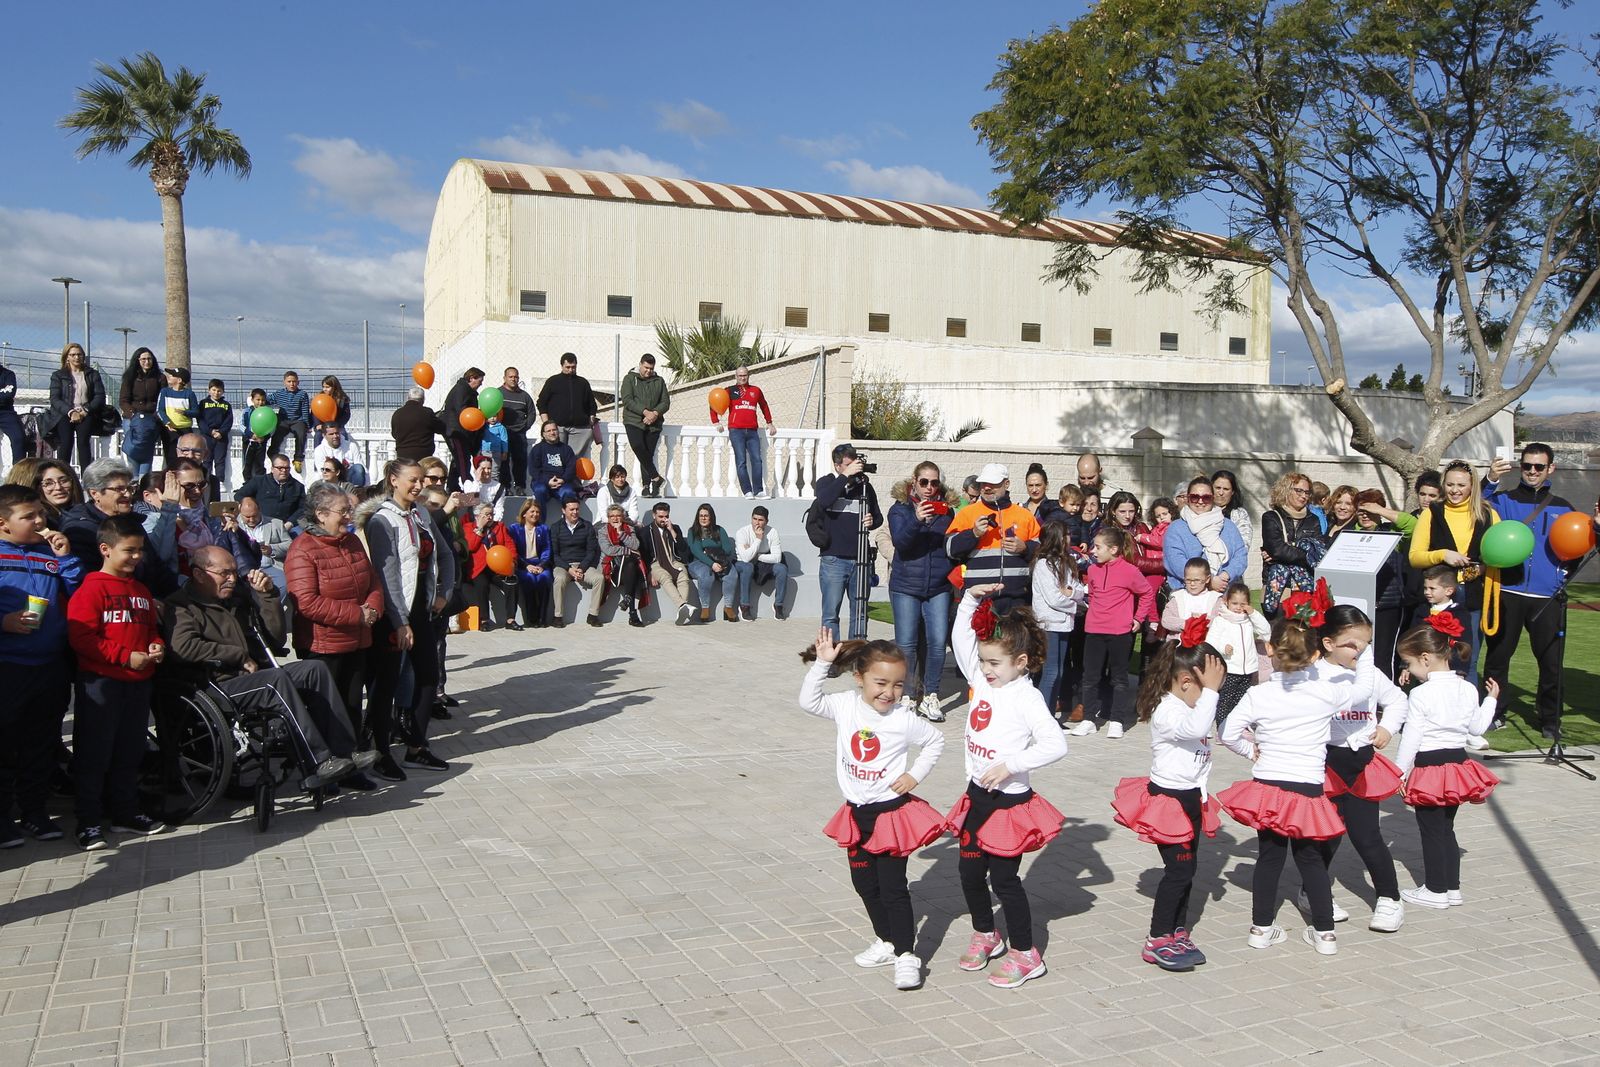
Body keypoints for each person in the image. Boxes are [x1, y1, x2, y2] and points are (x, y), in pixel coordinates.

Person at [798, 631, 946, 992]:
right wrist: (822, 663)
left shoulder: (903, 718)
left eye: (898, 685)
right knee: (864, 883)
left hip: (890, 817)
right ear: (859, 678)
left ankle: (908, 956)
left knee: (893, 888)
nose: (889, 692)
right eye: (881, 682)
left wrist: (915, 775)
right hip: (855, 814)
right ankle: (886, 941)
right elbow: (808, 702)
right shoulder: (846, 705)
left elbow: (935, 740)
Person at [163, 544, 368, 791]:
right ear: (198, 574)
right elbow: (183, 647)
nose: (231, 579)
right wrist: (238, 656)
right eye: (224, 574)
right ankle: (319, 760)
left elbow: (275, 639)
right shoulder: (181, 605)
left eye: (234, 573)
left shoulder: (237, 597)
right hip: (216, 685)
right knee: (275, 680)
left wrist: (268, 596)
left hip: (253, 677)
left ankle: (345, 752)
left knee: (314, 669)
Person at [945, 584, 1067, 989]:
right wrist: (970, 599)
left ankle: (1027, 954)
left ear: (1021, 662)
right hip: (976, 798)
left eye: (994, 662)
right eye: (982, 661)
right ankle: (986, 933)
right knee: (967, 872)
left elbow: (1055, 744)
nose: (985, 668)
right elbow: (961, 637)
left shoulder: (1026, 698)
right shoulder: (982, 681)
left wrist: (1011, 765)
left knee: (1005, 881)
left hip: (1009, 804)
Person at [1217, 618, 1353, 956]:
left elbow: (1227, 733)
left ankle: (1260, 929)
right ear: (1313, 655)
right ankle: (1325, 934)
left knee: (1269, 857)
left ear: (1269, 650)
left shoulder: (1257, 694)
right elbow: (1357, 690)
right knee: (1311, 861)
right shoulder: (1328, 692)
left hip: (1269, 785)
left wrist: (1252, 750)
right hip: (1307, 787)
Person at [1114, 632, 1226, 971]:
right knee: (1178, 870)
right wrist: (1211, 694)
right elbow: (1194, 730)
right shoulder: (1168, 711)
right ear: (1187, 681)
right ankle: (1156, 939)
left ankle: (1177, 931)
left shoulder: (1190, 704)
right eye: (1205, 688)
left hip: (1191, 798)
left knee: (1188, 869)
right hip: (1169, 802)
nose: (1210, 696)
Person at [65, 512, 164, 850]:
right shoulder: (91, 589)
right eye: (130, 551)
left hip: (138, 683)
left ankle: (125, 812)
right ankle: (89, 820)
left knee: (129, 751)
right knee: (94, 754)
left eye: (140, 551)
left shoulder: (140, 589)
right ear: (105, 549)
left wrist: (156, 646)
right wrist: (124, 656)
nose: (136, 557)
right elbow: (82, 637)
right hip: (101, 684)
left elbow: (150, 629)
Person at [1313, 606, 1409, 933]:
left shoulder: (1369, 675)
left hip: (1361, 765)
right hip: (1324, 764)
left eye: (1365, 644)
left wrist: (1387, 728)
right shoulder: (1312, 674)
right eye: (1352, 645)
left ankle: (1389, 898)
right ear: (1328, 643)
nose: (1360, 651)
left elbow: (1397, 700)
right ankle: (1312, 891)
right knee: (1326, 834)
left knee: (1367, 836)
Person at [1394, 621, 1501, 910]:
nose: (1410, 670)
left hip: (1430, 768)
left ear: (1425, 658)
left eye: (1410, 663)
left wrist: (1398, 773)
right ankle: (1452, 888)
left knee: (1431, 831)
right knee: (1446, 829)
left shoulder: (1420, 694)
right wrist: (1491, 700)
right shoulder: (1467, 688)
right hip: (1457, 766)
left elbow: (1411, 738)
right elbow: (1477, 728)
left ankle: (1436, 889)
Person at [284, 483, 384, 791]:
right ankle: (323, 772)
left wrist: (372, 607)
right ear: (321, 514)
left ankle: (351, 767)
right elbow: (307, 602)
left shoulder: (351, 541)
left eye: (349, 510)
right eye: (343, 511)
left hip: (356, 641)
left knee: (352, 707)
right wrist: (356, 614)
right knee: (326, 711)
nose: (349, 516)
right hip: (322, 645)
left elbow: (373, 581)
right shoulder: (303, 549)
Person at [0, 486, 82, 846]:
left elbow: (79, 592)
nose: (39, 521)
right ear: (2, 523)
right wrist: (3, 622)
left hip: (50, 664)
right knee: (5, 745)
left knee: (41, 743)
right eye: (28, 516)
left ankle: (35, 813)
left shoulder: (48, 551)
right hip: (9, 665)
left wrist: (66, 559)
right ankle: (3, 818)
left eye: (40, 514)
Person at [1481, 444, 1575, 740]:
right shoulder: (1503, 500)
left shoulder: (1563, 507)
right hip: (1508, 590)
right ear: (1520, 467)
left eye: (1539, 466)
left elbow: (1578, 546)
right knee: (1498, 658)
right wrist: (1490, 480)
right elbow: (1476, 509)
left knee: (1550, 663)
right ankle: (1493, 713)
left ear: (1551, 469)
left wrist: (1562, 575)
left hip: (1547, 598)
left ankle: (1549, 719)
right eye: (1527, 466)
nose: (1532, 471)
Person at [364, 459, 447, 777]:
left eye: (421, 480)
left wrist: (445, 590)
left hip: (420, 608)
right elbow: (386, 576)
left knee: (427, 676)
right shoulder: (382, 521)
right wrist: (399, 621)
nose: (418, 485)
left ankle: (417, 746)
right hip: (392, 613)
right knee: (386, 684)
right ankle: (381, 752)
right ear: (393, 480)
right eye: (412, 480)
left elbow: (443, 552)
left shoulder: (421, 513)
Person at [1408, 460, 1498, 685]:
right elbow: (1415, 556)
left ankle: (1467, 716)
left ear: (1472, 486)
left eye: (1461, 485)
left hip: (1473, 596)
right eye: (1449, 485)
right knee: (1431, 658)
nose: (1455, 490)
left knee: (1468, 659)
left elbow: (1499, 556)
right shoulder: (1431, 513)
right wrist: (1442, 554)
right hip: (1438, 597)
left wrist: (1483, 568)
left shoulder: (1488, 514)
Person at [1071, 529, 1155, 739]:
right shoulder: (1093, 570)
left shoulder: (1130, 571)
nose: (1093, 551)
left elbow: (1146, 592)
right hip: (1094, 630)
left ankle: (1117, 720)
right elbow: (1092, 594)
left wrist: (1138, 618)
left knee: (1119, 678)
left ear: (1114, 549)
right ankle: (1089, 719)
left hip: (1120, 632)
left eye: (1098, 547)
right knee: (1090, 677)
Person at [888, 462, 955, 720]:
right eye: (924, 482)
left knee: (938, 642)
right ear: (914, 482)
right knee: (907, 644)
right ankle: (906, 696)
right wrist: (917, 520)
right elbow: (901, 544)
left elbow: (950, 544)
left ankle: (931, 696)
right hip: (906, 585)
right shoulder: (900, 510)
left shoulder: (946, 511)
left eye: (934, 483)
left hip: (937, 585)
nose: (929, 488)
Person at [62, 458, 179, 597]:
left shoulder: (130, 522)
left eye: (130, 488)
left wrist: (179, 600)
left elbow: (156, 567)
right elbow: (90, 581)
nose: (128, 494)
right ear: (95, 493)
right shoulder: (81, 530)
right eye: (119, 489)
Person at [809, 443, 883, 641]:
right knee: (831, 614)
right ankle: (831, 657)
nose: (854, 470)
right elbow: (824, 500)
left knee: (859, 612)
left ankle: (855, 656)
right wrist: (844, 478)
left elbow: (878, 518)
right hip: (834, 560)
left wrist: (871, 520)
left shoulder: (865, 488)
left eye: (855, 465)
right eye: (849, 465)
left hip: (860, 561)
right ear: (837, 466)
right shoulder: (827, 483)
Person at [944, 463, 1039, 615]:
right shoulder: (967, 513)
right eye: (983, 484)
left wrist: (1026, 548)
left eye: (993, 483)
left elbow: (1043, 551)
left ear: (1006, 484)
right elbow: (949, 549)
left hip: (1017, 600)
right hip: (978, 599)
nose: (987, 488)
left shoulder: (1024, 515)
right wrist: (973, 534)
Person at [1346, 488, 1407, 678]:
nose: (1365, 516)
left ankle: (1382, 700)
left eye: (1370, 511)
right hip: (1359, 604)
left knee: (1382, 655)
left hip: (1386, 605)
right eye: (1361, 511)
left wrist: (1379, 510)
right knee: (1356, 652)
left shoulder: (1392, 532)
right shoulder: (1349, 534)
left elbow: (1413, 525)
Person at [1030, 523, 1085, 726]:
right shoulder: (1044, 564)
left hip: (1064, 623)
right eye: (1065, 535)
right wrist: (1075, 604)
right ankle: (1043, 720)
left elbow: (1077, 589)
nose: (1069, 538)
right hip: (1048, 623)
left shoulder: (1066, 561)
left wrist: (1074, 595)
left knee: (1060, 672)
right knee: (1051, 672)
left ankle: (1050, 716)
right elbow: (1054, 597)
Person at [1163, 476, 1247, 594]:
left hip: (1225, 593)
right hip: (1187, 594)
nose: (1200, 501)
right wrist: (1209, 581)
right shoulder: (1176, 528)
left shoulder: (1228, 526)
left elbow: (1240, 556)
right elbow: (1176, 562)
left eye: (1206, 497)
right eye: (1195, 497)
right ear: (1188, 498)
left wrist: (1226, 575)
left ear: (1213, 498)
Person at [1260, 471, 1327, 617]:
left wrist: (1286, 552)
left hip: (1305, 588)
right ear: (1285, 489)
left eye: (1307, 492)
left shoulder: (1313, 520)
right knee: (1277, 635)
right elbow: (1277, 550)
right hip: (1277, 587)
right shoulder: (1271, 517)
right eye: (1299, 491)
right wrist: (1308, 555)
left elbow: (1319, 551)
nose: (1303, 496)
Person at [1203, 581, 1270, 723]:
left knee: (1242, 701)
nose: (1238, 608)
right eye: (1234, 603)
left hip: (1248, 670)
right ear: (1226, 602)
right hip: (1230, 668)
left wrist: (1253, 613)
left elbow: (1266, 632)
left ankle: (1238, 727)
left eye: (1242, 604)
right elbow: (1210, 643)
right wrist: (1223, 648)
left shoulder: (1248, 620)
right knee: (1225, 700)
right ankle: (1222, 727)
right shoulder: (1221, 620)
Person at [713, 364, 777, 498]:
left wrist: (769, 422)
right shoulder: (729, 390)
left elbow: (764, 406)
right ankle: (747, 491)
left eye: (745, 375)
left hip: (752, 430)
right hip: (736, 430)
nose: (743, 378)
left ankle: (758, 490)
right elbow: (713, 403)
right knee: (741, 461)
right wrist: (716, 421)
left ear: (748, 376)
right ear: (735, 376)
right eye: (740, 375)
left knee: (757, 460)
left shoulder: (756, 390)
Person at [47, 343, 108, 469]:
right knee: (66, 443)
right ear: (67, 357)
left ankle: (87, 480)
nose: (76, 357)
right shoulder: (58, 375)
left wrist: (85, 410)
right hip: (65, 414)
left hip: (86, 412)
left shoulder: (92, 374)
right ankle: (63, 474)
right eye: (73, 355)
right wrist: (70, 412)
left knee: (84, 443)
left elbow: (99, 396)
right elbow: (55, 398)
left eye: (79, 354)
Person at [620, 354, 670, 497]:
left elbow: (665, 402)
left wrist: (654, 414)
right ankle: (656, 477)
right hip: (633, 420)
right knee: (638, 447)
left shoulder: (659, 381)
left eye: (651, 368)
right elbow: (627, 399)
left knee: (647, 454)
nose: (648, 371)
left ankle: (648, 486)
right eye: (646, 367)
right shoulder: (630, 378)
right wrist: (645, 412)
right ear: (640, 364)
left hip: (654, 423)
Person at [549, 497, 600, 627]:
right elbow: (554, 554)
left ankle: (593, 615)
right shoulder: (555, 527)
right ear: (564, 510)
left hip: (583, 565)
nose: (575, 512)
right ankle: (558, 616)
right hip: (563, 566)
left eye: (577, 509)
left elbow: (591, 551)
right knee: (559, 579)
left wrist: (581, 568)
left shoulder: (587, 526)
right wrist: (569, 569)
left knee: (599, 578)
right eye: (571, 509)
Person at [594, 504, 648, 627]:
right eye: (612, 516)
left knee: (631, 567)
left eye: (618, 515)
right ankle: (633, 614)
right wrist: (627, 551)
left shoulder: (629, 529)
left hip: (627, 569)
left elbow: (635, 545)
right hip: (612, 568)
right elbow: (608, 550)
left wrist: (620, 533)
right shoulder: (603, 531)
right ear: (608, 518)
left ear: (622, 517)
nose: (615, 518)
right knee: (632, 564)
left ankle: (628, 602)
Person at [537, 352, 599, 458]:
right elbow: (541, 402)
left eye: (573, 367)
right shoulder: (553, 381)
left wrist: (591, 417)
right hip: (558, 428)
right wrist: (546, 422)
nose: (570, 370)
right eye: (568, 367)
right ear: (562, 366)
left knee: (574, 460)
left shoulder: (583, 383)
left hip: (579, 429)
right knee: (557, 458)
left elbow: (592, 404)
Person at [733, 505, 789, 621]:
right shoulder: (742, 532)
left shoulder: (772, 532)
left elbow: (777, 558)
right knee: (747, 567)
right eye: (754, 519)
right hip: (742, 564)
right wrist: (758, 539)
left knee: (781, 568)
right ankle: (744, 606)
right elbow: (745, 558)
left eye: (760, 520)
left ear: (766, 521)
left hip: (762, 563)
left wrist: (757, 556)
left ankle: (778, 605)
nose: (757, 523)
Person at [643, 502, 694, 626]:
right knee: (666, 577)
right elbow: (643, 555)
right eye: (660, 517)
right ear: (654, 515)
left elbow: (683, 550)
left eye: (666, 516)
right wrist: (649, 573)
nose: (663, 519)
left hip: (673, 560)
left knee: (683, 576)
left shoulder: (674, 528)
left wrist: (671, 531)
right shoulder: (645, 531)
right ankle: (683, 605)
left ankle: (682, 609)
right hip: (655, 563)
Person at [687, 503, 737, 624]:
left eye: (706, 515)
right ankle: (705, 608)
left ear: (711, 517)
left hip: (719, 561)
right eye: (701, 516)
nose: (703, 518)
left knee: (732, 574)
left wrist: (710, 551)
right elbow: (697, 551)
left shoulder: (720, 530)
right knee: (705, 574)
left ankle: (728, 607)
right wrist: (712, 563)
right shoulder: (693, 531)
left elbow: (727, 549)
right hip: (697, 563)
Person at [118, 347, 164, 477]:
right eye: (143, 359)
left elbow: (162, 399)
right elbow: (123, 400)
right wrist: (132, 415)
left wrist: (156, 415)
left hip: (151, 419)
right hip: (132, 418)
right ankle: (134, 478)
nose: (146, 361)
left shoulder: (160, 378)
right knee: (133, 449)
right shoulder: (129, 378)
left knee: (147, 451)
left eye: (149, 359)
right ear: (137, 360)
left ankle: (144, 479)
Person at [509, 498, 553, 628]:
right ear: (524, 513)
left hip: (540, 563)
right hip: (522, 564)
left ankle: (542, 617)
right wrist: (526, 566)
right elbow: (513, 551)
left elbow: (547, 549)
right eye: (532, 511)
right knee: (529, 579)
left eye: (537, 512)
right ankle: (532, 618)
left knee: (544, 578)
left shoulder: (543, 529)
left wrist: (541, 566)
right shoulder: (514, 529)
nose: (535, 514)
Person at [440, 367, 487, 489]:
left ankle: (453, 484)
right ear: (471, 378)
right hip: (457, 430)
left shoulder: (464, 390)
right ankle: (466, 482)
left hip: (461, 430)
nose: (480, 385)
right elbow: (461, 410)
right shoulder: (462, 390)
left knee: (459, 458)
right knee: (462, 458)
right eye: (479, 381)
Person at [237, 454, 307, 526]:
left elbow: (303, 508)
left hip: (287, 525)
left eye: (287, 468)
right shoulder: (259, 481)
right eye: (280, 468)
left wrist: (290, 523)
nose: (284, 470)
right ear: (272, 469)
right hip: (261, 524)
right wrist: (251, 507)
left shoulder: (298, 486)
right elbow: (239, 495)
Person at [497, 366, 537, 494]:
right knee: (503, 461)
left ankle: (520, 487)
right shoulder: (498, 394)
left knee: (520, 461)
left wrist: (525, 426)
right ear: (504, 378)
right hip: (502, 434)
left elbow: (531, 413)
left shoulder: (524, 396)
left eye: (516, 377)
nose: (513, 379)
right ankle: (506, 487)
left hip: (519, 434)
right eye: (511, 377)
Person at [267, 371, 311, 473]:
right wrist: (255, 397)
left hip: (297, 420)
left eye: (294, 381)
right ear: (284, 382)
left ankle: (298, 460)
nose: (292, 384)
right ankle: (273, 453)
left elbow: (305, 411)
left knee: (301, 434)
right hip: (283, 419)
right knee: (277, 434)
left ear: (298, 382)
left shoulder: (302, 394)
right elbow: (267, 400)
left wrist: (306, 425)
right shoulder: (279, 393)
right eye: (289, 381)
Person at [527, 420, 578, 510]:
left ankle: (568, 522)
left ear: (558, 431)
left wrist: (562, 480)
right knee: (540, 490)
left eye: (554, 430)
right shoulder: (537, 449)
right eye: (549, 431)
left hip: (562, 483)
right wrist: (547, 481)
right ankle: (540, 523)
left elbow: (571, 468)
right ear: (543, 434)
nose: (552, 433)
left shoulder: (566, 449)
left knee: (569, 492)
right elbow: (534, 470)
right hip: (542, 482)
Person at [21, 458, 84, 531]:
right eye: (48, 483)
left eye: (63, 481)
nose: (58, 487)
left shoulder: (86, 513)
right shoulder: (41, 522)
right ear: (38, 488)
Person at [390, 386, 446, 463]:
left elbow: (394, 434)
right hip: (424, 455)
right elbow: (441, 428)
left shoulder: (398, 413)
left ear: (408, 398)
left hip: (403, 455)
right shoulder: (427, 413)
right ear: (423, 399)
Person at [198, 379, 234, 489]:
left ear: (223, 392)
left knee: (220, 460)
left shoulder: (226, 405)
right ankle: (206, 481)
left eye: (219, 390)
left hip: (221, 437)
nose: (216, 393)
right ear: (209, 390)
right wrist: (210, 431)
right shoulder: (203, 403)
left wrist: (221, 432)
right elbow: (201, 420)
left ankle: (219, 481)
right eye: (213, 390)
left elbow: (229, 420)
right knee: (207, 460)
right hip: (207, 436)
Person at [1210, 469, 1252, 551]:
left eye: (1226, 489)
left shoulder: (1240, 514)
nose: (1221, 492)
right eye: (1218, 488)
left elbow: (1244, 545)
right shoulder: (1201, 508)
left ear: (1232, 492)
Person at [459, 454, 506, 522]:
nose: (486, 471)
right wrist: (477, 481)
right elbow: (469, 501)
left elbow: (499, 509)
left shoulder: (498, 487)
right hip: (472, 522)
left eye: (489, 468)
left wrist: (492, 523)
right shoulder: (469, 483)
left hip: (491, 522)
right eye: (483, 468)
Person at [239, 388, 272, 482]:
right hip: (249, 442)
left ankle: (260, 483)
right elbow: (241, 425)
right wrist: (250, 435)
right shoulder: (247, 411)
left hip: (261, 442)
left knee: (260, 464)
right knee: (247, 464)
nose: (260, 402)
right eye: (258, 400)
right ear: (252, 400)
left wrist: (264, 437)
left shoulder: (268, 412)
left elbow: (272, 427)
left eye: (263, 400)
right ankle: (247, 483)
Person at [0, 355, 25, 466]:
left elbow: (8, 394)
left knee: (18, 438)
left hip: (6, 412)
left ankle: (19, 473)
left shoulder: (8, 374)